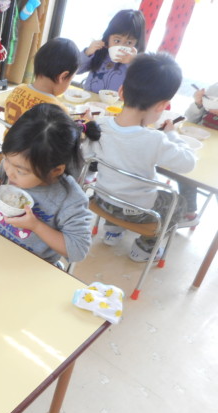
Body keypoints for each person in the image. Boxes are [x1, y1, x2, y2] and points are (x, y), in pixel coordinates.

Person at [81, 53, 196, 262]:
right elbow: (188, 163)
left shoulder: (100, 126)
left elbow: (86, 154)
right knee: (178, 202)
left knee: (119, 184)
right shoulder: (155, 139)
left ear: (121, 91)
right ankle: (144, 248)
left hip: (101, 200)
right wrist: (172, 134)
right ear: (162, 106)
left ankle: (112, 231)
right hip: (136, 211)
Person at [0, 103, 101, 267]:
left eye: (21, 171)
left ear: (55, 170)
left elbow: (78, 250)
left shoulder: (70, 199)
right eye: (6, 159)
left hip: (31, 267)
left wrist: (35, 226)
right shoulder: (11, 168)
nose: (9, 172)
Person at [3, 37, 79, 127]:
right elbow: (70, 135)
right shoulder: (59, 110)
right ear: (62, 77)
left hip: (9, 136)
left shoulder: (18, 89)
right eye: (71, 79)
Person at [77, 9, 146, 94]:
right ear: (108, 37)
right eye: (117, 41)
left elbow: (142, 89)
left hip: (116, 103)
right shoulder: (99, 52)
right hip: (89, 100)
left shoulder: (138, 64)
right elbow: (76, 70)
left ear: (137, 43)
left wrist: (132, 63)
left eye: (129, 43)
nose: (121, 46)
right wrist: (87, 53)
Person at [179, 82, 218, 226]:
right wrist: (198, 104)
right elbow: (189, 121)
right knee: (184, 168)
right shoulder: (213, 92)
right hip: (199, 148)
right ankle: (189, 214)